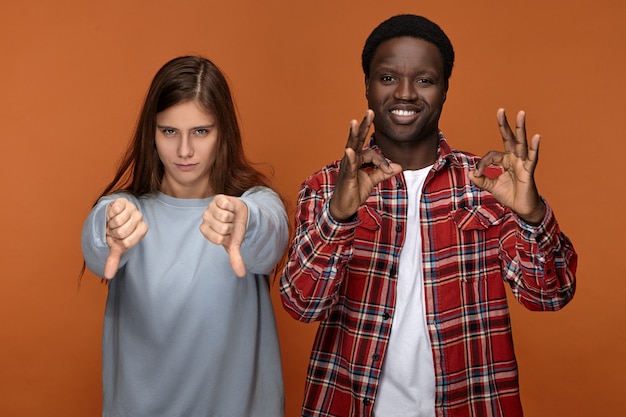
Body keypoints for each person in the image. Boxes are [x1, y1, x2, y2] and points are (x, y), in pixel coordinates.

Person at [280, 14, 577, 417]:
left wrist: (532, 213)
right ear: (367, 86)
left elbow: (550, 294)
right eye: (387, 78)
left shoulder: (489, 186)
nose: (405, 93)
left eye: (424, 80)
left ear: (444, 90)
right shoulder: (327, 186)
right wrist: (339, 216)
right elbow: (302, 305)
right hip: (349, 404)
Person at [81, 55, 288, 417]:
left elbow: (269, 238)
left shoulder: (254, 204)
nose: (185, 151)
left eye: (201, 131)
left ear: (223, 132)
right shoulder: (124, 211)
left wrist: (246, 222)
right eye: (170, 131)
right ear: (152, 133)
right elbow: (98, 247)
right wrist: (109, 231)